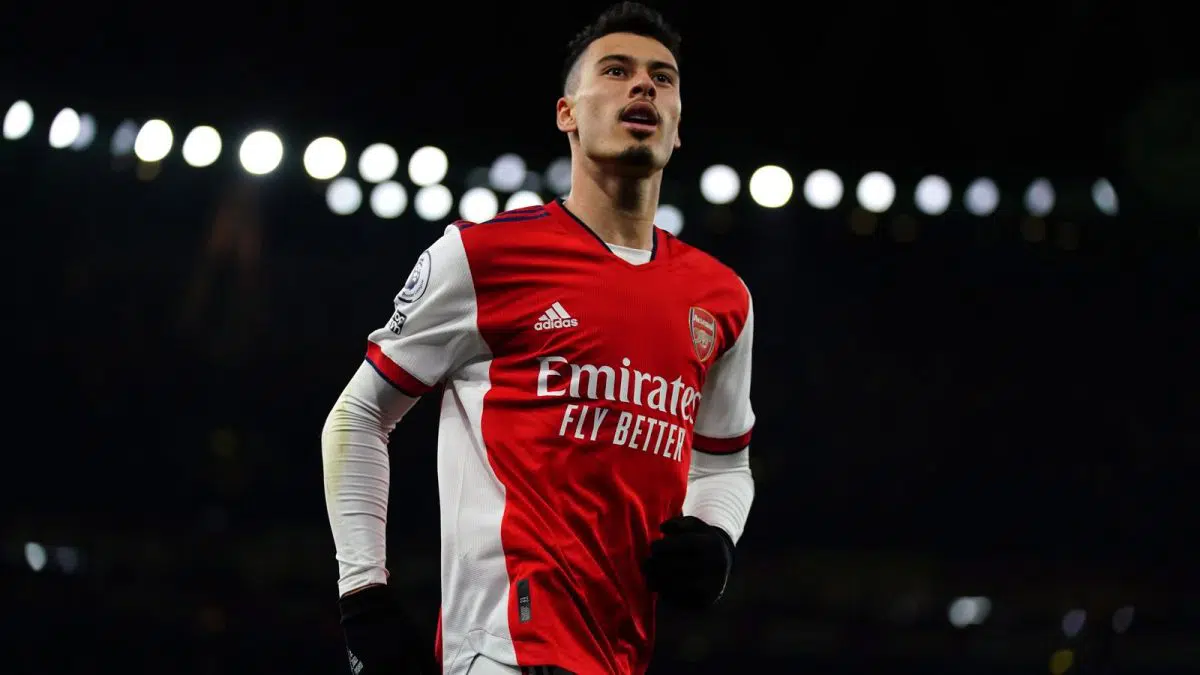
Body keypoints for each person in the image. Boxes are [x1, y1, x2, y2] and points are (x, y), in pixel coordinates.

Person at [322, 3, 756, 674]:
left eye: (662, 77)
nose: (644, 85)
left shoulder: (722, 297)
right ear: (566, 114)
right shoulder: (482, 257)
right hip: (499, 652)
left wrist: (716, 533)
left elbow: (725, 463)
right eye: (616, 71)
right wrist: (364, 600)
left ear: (677, 128)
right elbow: (358, 415)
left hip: (621, 655)